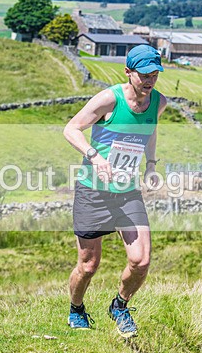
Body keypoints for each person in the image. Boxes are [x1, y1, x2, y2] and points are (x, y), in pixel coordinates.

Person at [63, 44, 167, 338]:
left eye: (154, 75)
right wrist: (94, 156)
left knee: (141, 260)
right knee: (89, 265)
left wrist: (151, 163)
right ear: (128, 72)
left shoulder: (159, 102)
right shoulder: (110, 98)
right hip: (92, 190)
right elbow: (71, 128)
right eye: (143, 74)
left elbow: (150, 129)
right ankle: (76, 308)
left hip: (127, 190)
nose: (149, 81)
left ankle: (119, 306)